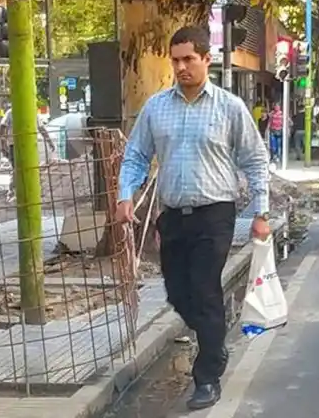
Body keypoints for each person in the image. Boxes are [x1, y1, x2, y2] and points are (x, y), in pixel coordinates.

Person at [116, 26, 271, 411]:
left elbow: (254, 159)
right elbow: (136, 154)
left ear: (206, 59)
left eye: (189, 59)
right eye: (176, 60)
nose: (181, 67)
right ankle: (216, 344)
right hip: (173, 217)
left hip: (214, 215)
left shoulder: (229, 108)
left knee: (204, 290)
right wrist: (125, 197)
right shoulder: (156, 108)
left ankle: (207, 375)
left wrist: (261, 212)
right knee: (177, 294)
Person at [0, 105, 57, 202]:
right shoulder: (14, 112)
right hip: (19, 145)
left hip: (23, 145)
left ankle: (24, 192)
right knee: (18, 169)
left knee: (23, 169)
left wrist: (49, 141)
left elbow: (41, 128)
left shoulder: (21, 112)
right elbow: (2, 127)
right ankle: (15, 193)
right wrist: (3, 144)